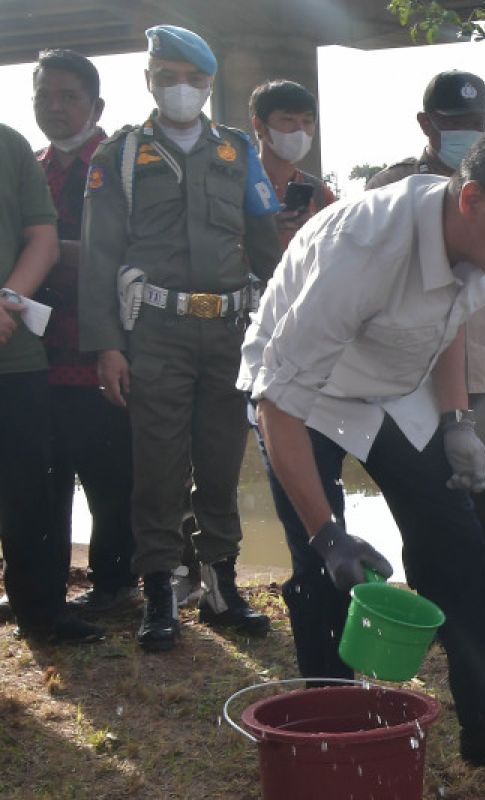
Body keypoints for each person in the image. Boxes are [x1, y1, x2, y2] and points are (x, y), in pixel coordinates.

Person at [240, 123, 485, 775]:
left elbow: (444, 322)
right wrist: (328, 536)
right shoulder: (363, 246)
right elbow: (276, 404)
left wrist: (456, 421)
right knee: (324, 572)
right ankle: (330, 735)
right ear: (474, 199)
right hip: (301, 392)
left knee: (458, 545)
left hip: (389, 389)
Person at [79, 25, 279, 652]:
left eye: (195, 80)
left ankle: (222, 585)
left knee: (221, 464)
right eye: (170, 78)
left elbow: (267, 243)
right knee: (158, 468)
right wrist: (108, 345)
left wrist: (277, 325)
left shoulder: (238, 152)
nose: (183, 90)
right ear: (149, 81)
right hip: (156, 333)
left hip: (229, 330)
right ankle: (160, 590)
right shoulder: (119, 156)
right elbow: (99, 256)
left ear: (210, 86)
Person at [367, 70, 485, 638]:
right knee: (429, 491)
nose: (467, 133)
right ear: (427, 125)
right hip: (419, 372)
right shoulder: (394, 186)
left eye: (476, 124)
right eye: (454, 124)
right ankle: (435, 604)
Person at [31, 49, 139, 617]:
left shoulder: (122, 164)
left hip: (104, 348)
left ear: (96, 104)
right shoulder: (30, 165)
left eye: (68, 95)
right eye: (45, 95)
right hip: (36, 354)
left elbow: (130, 255)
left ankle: (115, 584)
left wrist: (40, 254)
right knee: (43, 479)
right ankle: (44, 588)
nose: (55, 106)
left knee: (109, 479)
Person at [0, 121, 104, 644]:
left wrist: (7, 301)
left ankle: (39, 610)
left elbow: (42, 239)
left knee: (29, 492)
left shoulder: (10, 145)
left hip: (14, 353)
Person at [248, 79, 337, 250]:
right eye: (288, 120)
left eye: (307, 121)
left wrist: (317, 229)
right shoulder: (236, 185)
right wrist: (261, 230)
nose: (300, 130)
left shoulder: (319, 192)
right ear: (259, 125)